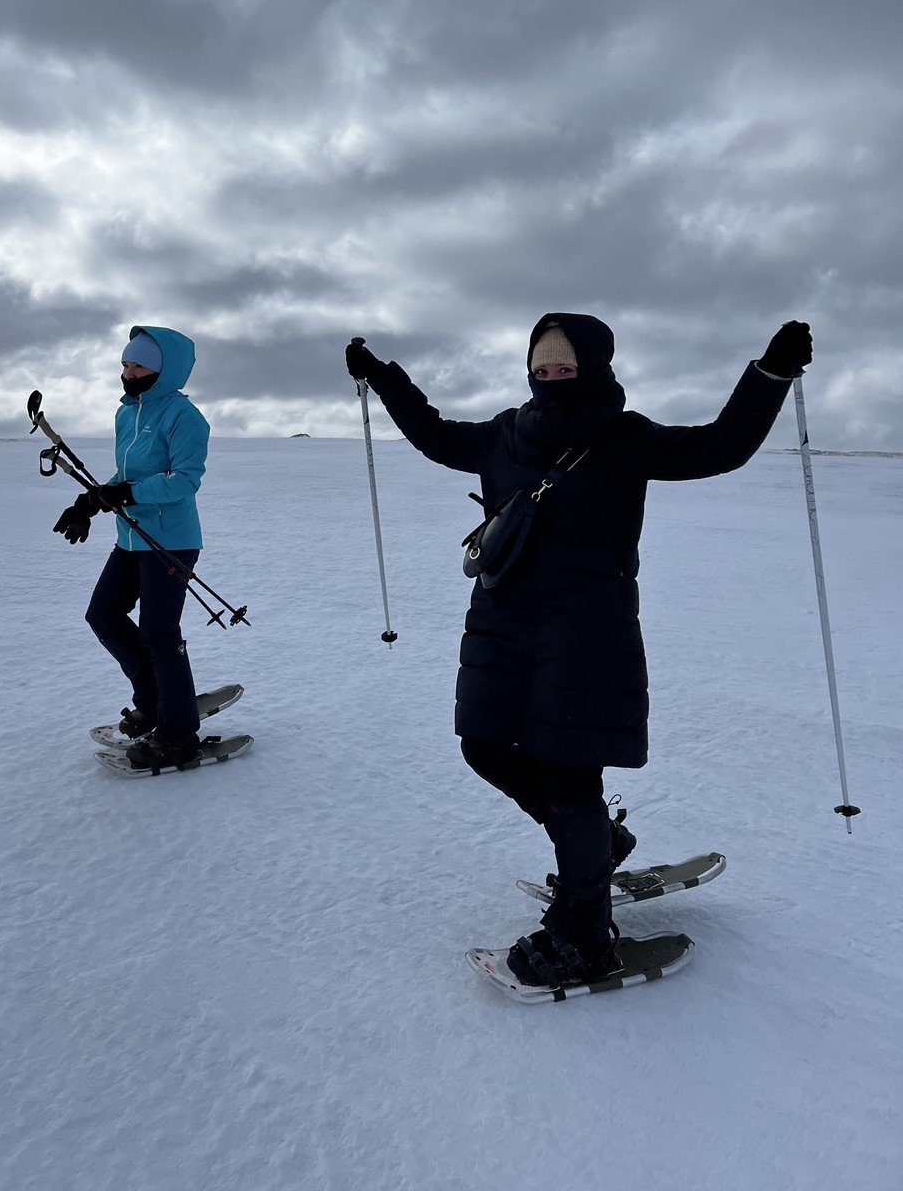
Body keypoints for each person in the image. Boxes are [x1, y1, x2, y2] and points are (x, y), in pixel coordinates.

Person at [345, 315, 812, 989]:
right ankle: (598, 846)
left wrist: (770, 374)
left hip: (587, 633)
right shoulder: (506, 435)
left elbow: (722, 446)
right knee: (484, 746)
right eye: (542, 365)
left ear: (592, 367)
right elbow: (433, 432)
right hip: (501, 624)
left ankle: (583, 935)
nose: (551, 375)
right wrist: (384, 377)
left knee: (569, 781)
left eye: (565, 366)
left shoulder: (627, 441)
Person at [53, 326, 210, 772]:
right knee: (103, 615)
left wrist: (126, 493)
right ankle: (155, 702)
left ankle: (179, 735)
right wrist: (89, 502)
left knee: (159, 635)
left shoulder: (185, 416)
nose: (128, 372)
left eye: (138, 365)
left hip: (171, 541)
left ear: (162, 370)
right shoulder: (127, 413)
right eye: (124, 364)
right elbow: (126, 475)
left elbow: (184, 480)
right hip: (131, 537)